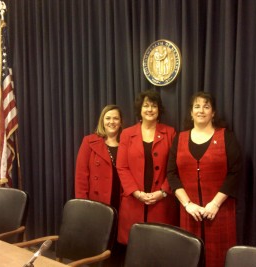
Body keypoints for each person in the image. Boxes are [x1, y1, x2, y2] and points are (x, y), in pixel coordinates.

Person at [167, 91, 242, 267]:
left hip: (220, 212)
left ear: (213, 113)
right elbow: (171, 174)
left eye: (206, 106)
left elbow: (235, 172)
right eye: (197, 106)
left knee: (220, 260)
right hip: (189, 213)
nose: (201, 110)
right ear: (191, 112)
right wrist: (187, 204)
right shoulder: (180, 138)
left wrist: (215, 204)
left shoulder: (226, 136)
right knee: (190, 258)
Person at [116, 89, 179, 245]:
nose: (150, 109)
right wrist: (136, 193)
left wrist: (163, 192)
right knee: (135, 247)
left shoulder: (170, 133)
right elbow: (122, 167)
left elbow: (175, 167)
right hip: (133, 200)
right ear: (140, 109)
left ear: (159, 109)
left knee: (160, 246)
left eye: (154, 106)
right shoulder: (127, 134)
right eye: (146, 105)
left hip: (162, 202)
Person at [74, 104, 124, 266]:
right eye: (108, 118)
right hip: (98, 202)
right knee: (98, 245)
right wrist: (84, 205)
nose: (112, 121)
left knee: (118, 244)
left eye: (115, 118)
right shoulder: (89, 141)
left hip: (123, 201)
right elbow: (81, 176)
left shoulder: (127, 142)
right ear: (102, 121)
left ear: (121, 122)